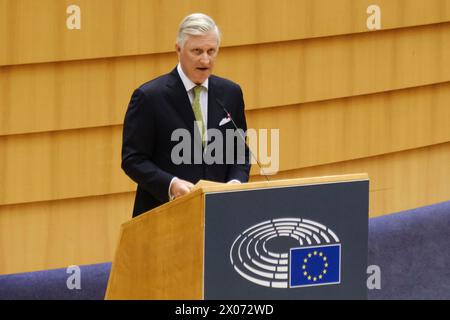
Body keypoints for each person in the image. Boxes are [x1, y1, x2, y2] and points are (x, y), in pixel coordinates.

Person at [121, 13, 251, 217]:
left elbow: (239, 152)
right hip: (164, 214)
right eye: (197, 51)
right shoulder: (149, 97)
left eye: (211, 51)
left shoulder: (231, 93)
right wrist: (171, 185)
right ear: (178, 49)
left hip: (220, 214)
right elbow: (133, 159)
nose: (205, 59)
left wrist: (235, 183)